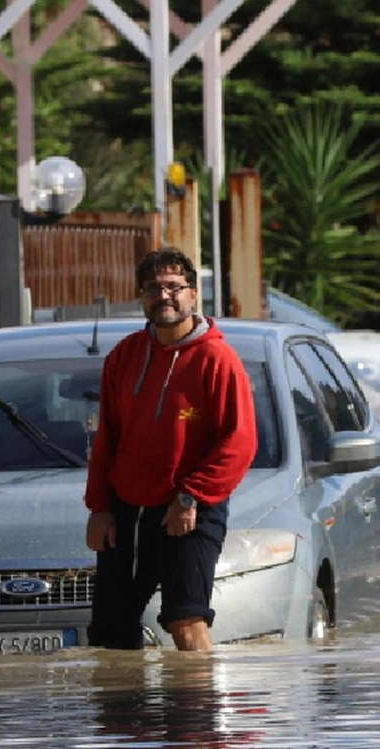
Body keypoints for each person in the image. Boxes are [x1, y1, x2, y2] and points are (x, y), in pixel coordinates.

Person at [84, 247, 257, 651]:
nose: (164, 296)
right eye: (153, 288)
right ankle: (125, 715)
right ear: (141, 297)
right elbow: (106, 439)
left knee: (186, 621)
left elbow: (240, 441)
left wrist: (190, 496)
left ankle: (197, 714)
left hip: (191, 509)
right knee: (110, 633)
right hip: (127, 510)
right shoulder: (123, 356)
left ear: (193, 294)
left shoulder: (218, 359)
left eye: (174, 287)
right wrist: (100, 508)